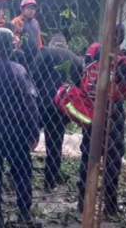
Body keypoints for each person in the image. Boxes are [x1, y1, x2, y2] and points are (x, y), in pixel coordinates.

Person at [0, 28, 42, 228]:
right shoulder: (18, 70)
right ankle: (23, 213)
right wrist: (34, 132)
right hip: (16, 129)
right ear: (12, 48)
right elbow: (30, 104)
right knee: (21, 170)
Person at [77, 24, 126, 216]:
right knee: (113, 157)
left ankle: (82, 202)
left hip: (91, 105)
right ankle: (109, 205)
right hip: (113, 108)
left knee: (88, 154)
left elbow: (83, 72)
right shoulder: (121, 60)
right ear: (121, 38)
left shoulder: (93, 50)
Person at [32, 43, 83, 191]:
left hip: (42, 103)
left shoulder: (46, 52)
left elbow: (34, 75)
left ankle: (18, 172)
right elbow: (80, 85)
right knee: (55, 144)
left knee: (29, 136)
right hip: (62, 106)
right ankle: (50, 181)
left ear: (52, 43)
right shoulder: (76, 60)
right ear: (66, 45)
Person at [12, 0, 43, 72]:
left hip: (35, 55)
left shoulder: (35, 22)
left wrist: (40, 49)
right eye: (29, 8)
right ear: (22, 9)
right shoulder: (17, 21)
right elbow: (13, 38)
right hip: (22, 55)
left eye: (33, 9)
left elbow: (38, 39)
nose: (32, 11)